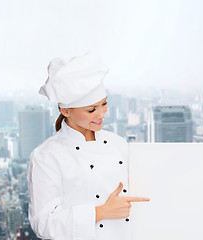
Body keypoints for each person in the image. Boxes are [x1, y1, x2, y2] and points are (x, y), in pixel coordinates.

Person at [27, 52, 150, 240]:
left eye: (104, 104)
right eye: (91, 109)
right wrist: (100, 212)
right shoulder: (46, 156)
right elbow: (44, 223)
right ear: (65, 110)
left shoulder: (118, 144)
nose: (101, 114)